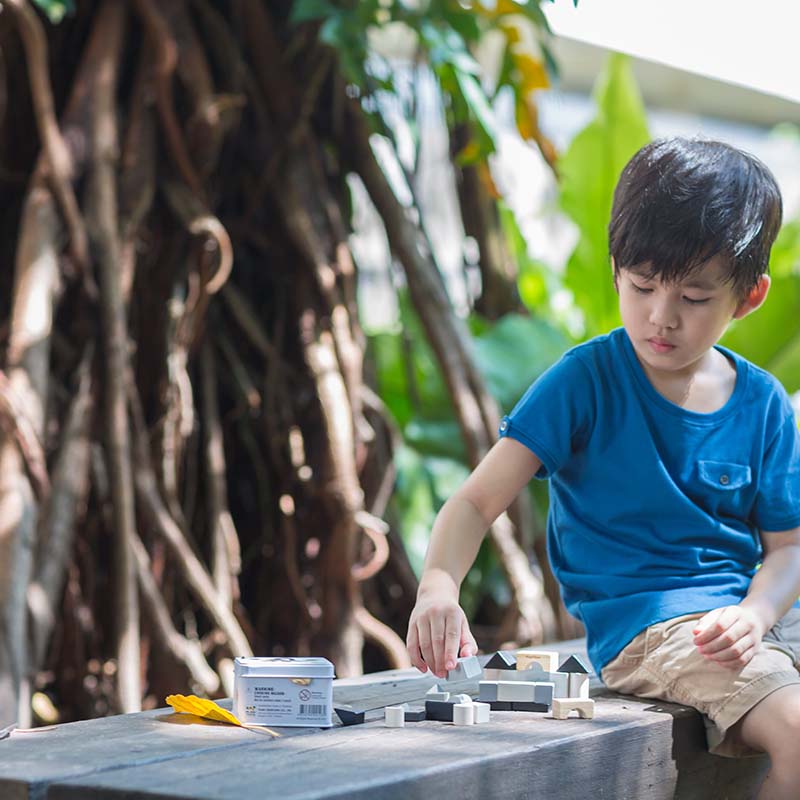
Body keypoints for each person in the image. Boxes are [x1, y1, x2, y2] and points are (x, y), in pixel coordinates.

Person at [406, 137, 800, 798]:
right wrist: (438, 588)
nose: (661, 316)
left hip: (747, 621)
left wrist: (758, 614)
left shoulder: (762, 402)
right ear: (616, 269)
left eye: (695, 297)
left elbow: (788, 546)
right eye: (642, 286)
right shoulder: (584, 380)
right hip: (654, 632)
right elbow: (474, 503)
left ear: (749, 296)